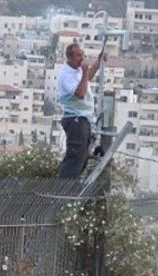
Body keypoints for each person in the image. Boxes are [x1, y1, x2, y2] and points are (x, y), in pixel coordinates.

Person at [57, 43, 103, 178]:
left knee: (83, 157)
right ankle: (64, 187)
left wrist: (98, 62)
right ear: (69, 57)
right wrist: (83, 74)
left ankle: (74, 183)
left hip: (84, 118)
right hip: (75, 119)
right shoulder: (66, 74)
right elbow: (80, 93)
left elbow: (88, 77)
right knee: (75, 156)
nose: (81, 58)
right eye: (78, 55)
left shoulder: (76, 71)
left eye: (82, 55)